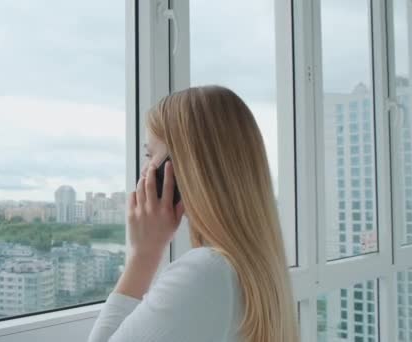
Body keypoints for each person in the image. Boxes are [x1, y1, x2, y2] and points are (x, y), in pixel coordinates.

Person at [88, 86, 298, 342]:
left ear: (185, 166)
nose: (145, 171)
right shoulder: (255, 263)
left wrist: (144, 255)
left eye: (150, 154)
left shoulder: (206, 272)